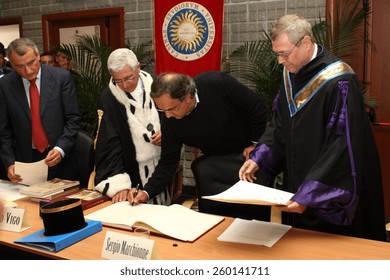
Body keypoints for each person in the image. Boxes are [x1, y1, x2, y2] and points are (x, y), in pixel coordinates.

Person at [239, 14, 386, 241]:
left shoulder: (339, 81)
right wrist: (260, 157)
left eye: (284, 54)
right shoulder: (291, 75)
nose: (280, 61)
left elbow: (342, 147)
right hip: (299, 183)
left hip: (330, 189)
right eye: (276, 54)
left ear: (305, 43)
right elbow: (279, 124)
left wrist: (310, 195)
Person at [128, 71, 270, 220]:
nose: (168, 115)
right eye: (162, 110)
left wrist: (256, 144)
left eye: (172, 109)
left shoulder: (216, 83)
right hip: (215, 161)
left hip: (249, 156)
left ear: (188, 97)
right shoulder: (169, 121)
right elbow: (168, 162)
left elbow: (257, 108)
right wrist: (146, 192)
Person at [93, 48, 169, 204]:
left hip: (161, 167)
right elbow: (108, 145)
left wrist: (167, 133)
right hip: (131, 170)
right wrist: (119, 184)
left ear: (138, 67)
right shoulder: (109, 98)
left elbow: (173, 116)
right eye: (118, 80)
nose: (125, 85)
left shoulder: (157, 87)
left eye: (129, 78)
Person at [0, 38, 81, 183]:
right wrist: (9, 162)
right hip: (25, 163)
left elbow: (73, 119)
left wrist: (61, 149)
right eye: (20, 66)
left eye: (31, 62)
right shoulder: (5, 85)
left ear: (38, 56)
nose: (28, 70)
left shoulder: (61, 78)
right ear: (11, 64)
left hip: (60, 159)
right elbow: (3, 130)